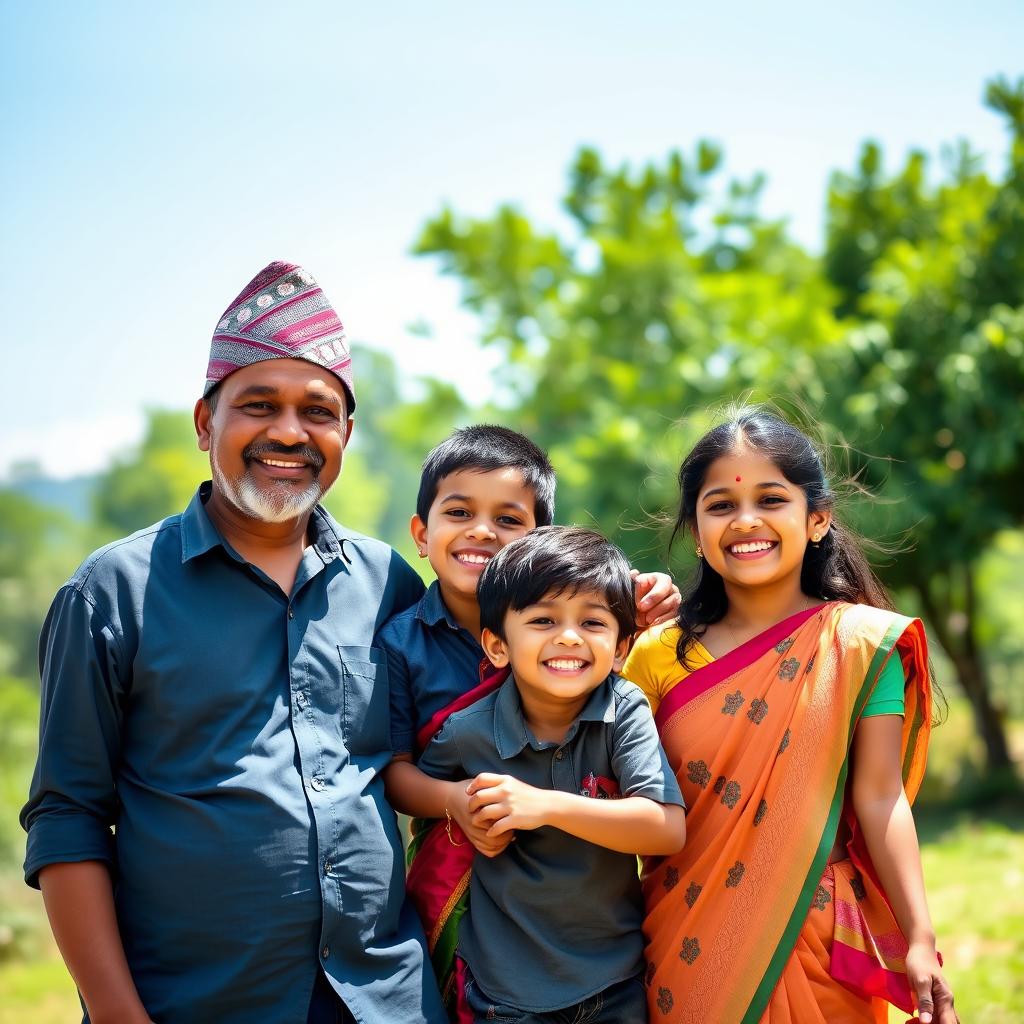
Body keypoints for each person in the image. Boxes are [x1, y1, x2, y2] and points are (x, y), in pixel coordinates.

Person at [21, 261, 446, 1024]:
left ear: (346, 433)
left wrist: (631, 610)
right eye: (258, 404)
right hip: (194, 1004)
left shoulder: (390, 584)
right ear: (203, 423)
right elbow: (68, 817)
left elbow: (503, 678)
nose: (289, 431)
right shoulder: (112, 592)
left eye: (318, 411)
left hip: (385, 1000)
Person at [623, 409, 958, 1024]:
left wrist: (918, 937)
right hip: (684, 932)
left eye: (771, 498)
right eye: (720, 504)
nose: (746, 520)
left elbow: (882, 799)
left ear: (817, 518)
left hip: (817, 933)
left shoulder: (860, 645)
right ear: (695, 530)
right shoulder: (655, 654)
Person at [378, 425, 680, 1016]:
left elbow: (603, 619)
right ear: (421, 533)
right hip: (474, 895)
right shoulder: (401, 641)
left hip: (596, 931)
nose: (483, 531)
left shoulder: (591, 648)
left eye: (509, 520)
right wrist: (458, 798)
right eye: (459, 511)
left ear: (541, 539)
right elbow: (393, 772)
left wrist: (636, 607)